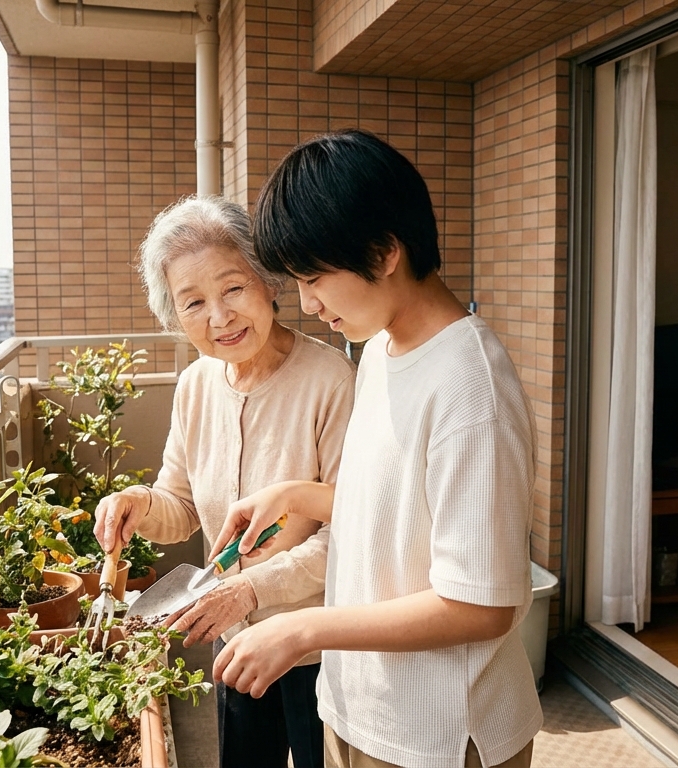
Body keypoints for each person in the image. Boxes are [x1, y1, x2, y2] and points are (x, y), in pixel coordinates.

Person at [208, 129, 543, 768]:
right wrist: (298, 495)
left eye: (315, 278)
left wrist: (302, 628)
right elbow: (404, 511)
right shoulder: (382, 351)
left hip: (440, 737)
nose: (306, 304)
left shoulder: (470, 386)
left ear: (385, 251)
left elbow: (483, 604)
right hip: (365, 711)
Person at [92, 195, 355, 768]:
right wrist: (138, 502)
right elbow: (180, 505)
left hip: (317, 641)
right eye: (193, 302)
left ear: (267, 282)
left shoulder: (332, 380)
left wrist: (253, 588)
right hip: (233, 633)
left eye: (233, 288)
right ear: (174, 316)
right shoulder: (195, 386)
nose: (220, 317)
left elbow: (354, 530)